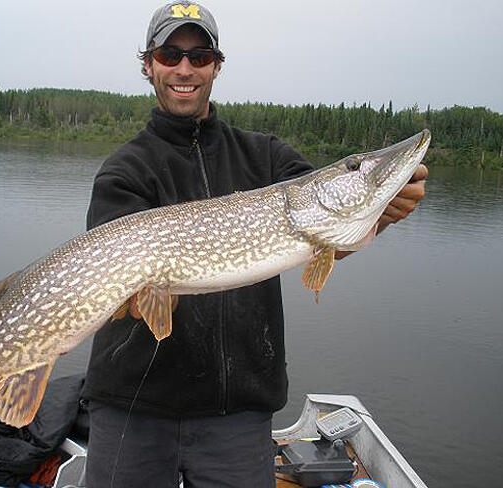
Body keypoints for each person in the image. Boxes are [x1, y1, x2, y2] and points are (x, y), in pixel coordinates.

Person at [83, 2, 428, 487]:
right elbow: (118, 298)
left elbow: (329, 237)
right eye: (170, 53)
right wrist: (134, 295)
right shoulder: (124, 172)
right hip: (133, 410)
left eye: (199, 55)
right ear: (149, 64)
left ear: (216, 66)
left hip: (237, 413)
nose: (185, 68)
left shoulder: (266, 157)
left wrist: (379, 214)